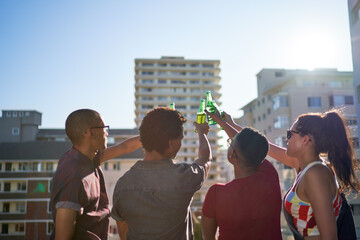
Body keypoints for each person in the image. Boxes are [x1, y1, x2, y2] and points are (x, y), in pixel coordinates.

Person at [214, 109, 358, 239]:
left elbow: (329, 238)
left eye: (290, 134)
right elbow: (257, 146)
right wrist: (227, 124)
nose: (286, 139)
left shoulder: (316, 174)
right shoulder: (304, 166)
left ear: (305, 139)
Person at [111, 107, 212, 240]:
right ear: (170, 143)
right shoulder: (184, 177)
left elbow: (124, 233)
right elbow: (206, 160)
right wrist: (202, 133)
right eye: (180, 139)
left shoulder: (122, 184)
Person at [50, 109, 142, 240]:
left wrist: (150, 135)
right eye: (104, 128)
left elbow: (124, 148)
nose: (106, 133)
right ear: (90, 132)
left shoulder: (89, 158)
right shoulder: (73, 177)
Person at [202, 111, 282, 240]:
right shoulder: (270, 177)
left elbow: (208, 237)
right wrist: (223, 123)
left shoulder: (216, 194)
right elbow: (253, 148)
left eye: (230, 143)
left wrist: (220, 124)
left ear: (231, 155)